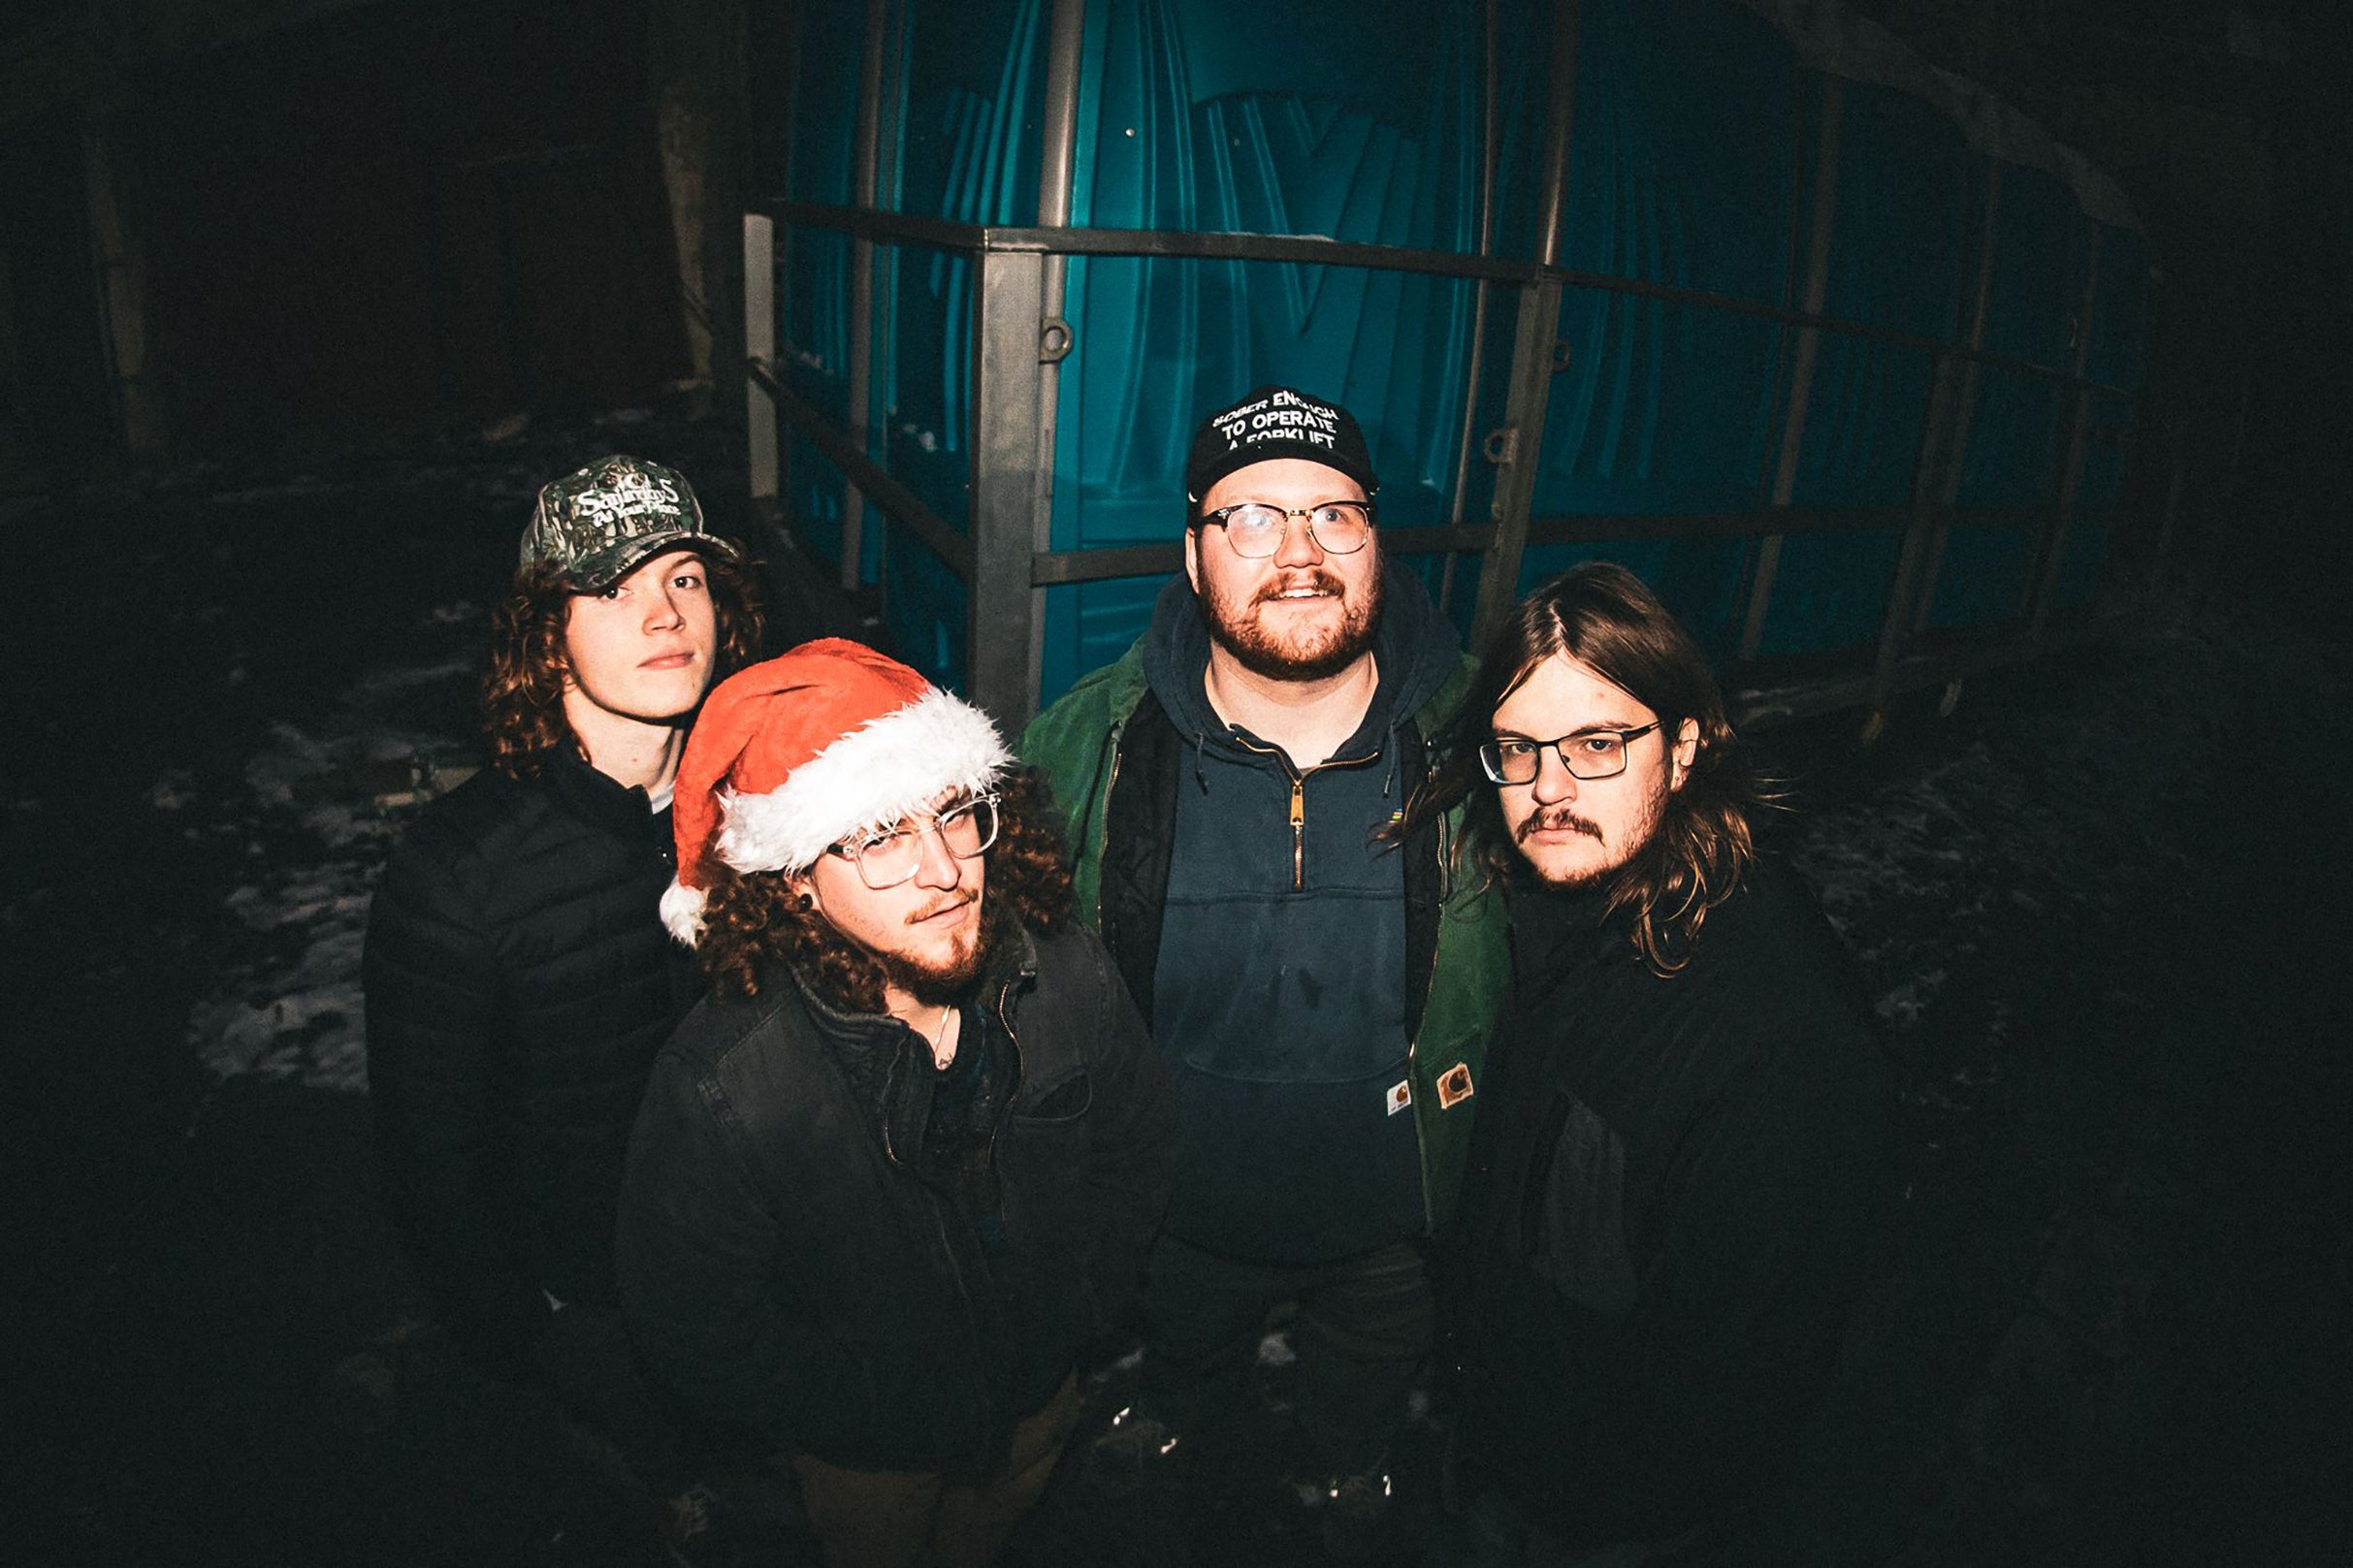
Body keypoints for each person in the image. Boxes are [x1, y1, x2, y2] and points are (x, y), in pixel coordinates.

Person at [1019, 385, 1509, 1547]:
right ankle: (1176, 1414)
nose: (1298, 552)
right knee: (1185, 1348)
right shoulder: (1086, 743)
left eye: (1333, 514)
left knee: (1367, 1372)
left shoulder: (1488, 736)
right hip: (1176, 1203)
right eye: (1249, 518)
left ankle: (1347, 1464)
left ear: (1376, 540)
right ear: (1193, 557)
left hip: (1403, 1212)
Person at [617, 638, 1176, 1568]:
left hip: (1040, 1401)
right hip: (870, 1458)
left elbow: (1138, 1145)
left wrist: (1075, 1315)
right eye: (879, 837)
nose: (945, 869)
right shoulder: (729, 1081)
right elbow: (693, 1315)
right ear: (795, 880)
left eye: (955, 814)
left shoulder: (1061, 971)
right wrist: (862, 1409)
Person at [1416, 563, 1892, 1565]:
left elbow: (1740, 1373)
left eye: (1596, 744)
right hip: (1500, 1445)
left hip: (1603, 1514)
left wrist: (1592, 1508)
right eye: (1516, 749)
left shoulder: (1775, 1035)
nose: (1547, 788)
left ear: (1682, 750)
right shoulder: (1547, 914)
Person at [363, 454, 762, 1544]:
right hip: (593, 1308)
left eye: (684, 577)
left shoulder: (770, 813)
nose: (663, 613)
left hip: (762, 1271)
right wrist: (532, 1329)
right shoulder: (459, 875)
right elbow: (429, 1154)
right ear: (547, 636)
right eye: (611, 588)